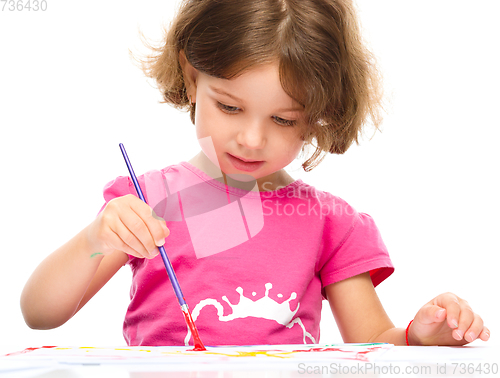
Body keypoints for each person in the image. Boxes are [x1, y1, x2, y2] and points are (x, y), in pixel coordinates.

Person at [21, 0, 489, 347]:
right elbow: (39, 314)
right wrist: (94, 241)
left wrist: (422, 337)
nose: (251, 139)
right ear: (191, 78)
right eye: (229, 106)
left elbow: (371, 343)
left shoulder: (330, 222)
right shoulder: (148, 203)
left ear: (320, 114)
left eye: (284, 120)